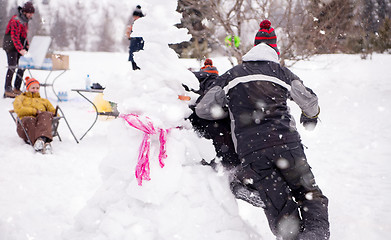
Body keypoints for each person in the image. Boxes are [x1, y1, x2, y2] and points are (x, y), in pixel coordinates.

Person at [195, 20, 329, 240]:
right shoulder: (281, 73)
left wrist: (230, 111)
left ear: (253, 48)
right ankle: (315, 235)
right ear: (274, 50)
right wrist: (310, 117)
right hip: (288, 146)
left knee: (281, 210)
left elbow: (203, 108)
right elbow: (310, 101)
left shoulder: (232, 75)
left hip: (253, 153)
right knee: (310, 195)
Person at [188, 59, 264, 207]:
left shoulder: (198, 77)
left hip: (206, 115)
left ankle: (234, 180)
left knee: (217, 139)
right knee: (228, 138)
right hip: (224, 115)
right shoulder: (221, 80)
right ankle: (245, 180)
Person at [13, 77, 56, 154]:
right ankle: (45, 142)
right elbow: (19, 109)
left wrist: (50, 115)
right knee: (30, 120)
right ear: (28, 88)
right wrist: (35, 111)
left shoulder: (44, 101)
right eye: (33, 88)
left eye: (37, 88)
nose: (35, 90)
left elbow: (54, 112)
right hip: (25, 125)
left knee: (46, 114)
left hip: (41, 123)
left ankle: (40, 141)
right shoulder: (20, 98)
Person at [2, 1, 35, 98]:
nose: (31, 15)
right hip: (10, 46)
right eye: (30, 13)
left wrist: (27, 45)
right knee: (12, 66)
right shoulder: (16, 20)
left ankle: (16, 88)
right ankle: (8, 89)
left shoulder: (25, 21)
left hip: (19, 45)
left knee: (22, 66)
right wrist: (21, 50)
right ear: (25, 12)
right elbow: (14, 37)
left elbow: (24, 35)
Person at [126, 5, 145, 70]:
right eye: (134, 16)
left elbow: (142, 36)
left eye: (136, 16)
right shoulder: (133, 23)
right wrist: (129, 34)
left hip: (139, 48)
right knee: (134, 66)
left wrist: (132, 34)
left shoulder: (143, 24)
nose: (134, 18)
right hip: (134, 47)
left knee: (140, 67)